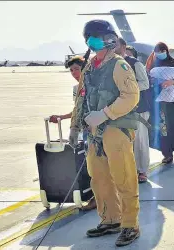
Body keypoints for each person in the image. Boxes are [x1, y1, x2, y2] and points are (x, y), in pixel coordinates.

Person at [71, 19, 141, 246]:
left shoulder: (119, 65)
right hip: (93, 131)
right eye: (89, 37)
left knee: (123, 177)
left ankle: (130, 225)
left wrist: (105, 114)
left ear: (108, 39)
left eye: (96, 36)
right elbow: (81, 97)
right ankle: (110, 219)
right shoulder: (90, 66)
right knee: (98, 177)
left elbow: (131, 96)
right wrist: (74, 127)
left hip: (115, 128)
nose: (91, 41)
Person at [49, 56, 98, 211]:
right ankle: (96, 196)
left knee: (98, 165)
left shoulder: (94, 85)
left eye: (77, 69)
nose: (74, 73)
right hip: (85, 129)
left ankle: (99, 197)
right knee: (90, 164)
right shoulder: (76, 89)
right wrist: (62, 117)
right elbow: (77, 110)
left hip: (98, 129)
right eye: (71, 70)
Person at [115, 38, 151, 184]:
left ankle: (142, 170)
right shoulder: (111, 64)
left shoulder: (135, 63)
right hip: (119, 109)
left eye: (115, 44)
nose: (113, 47)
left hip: (138, 109)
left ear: (123, 47)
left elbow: (145, 83)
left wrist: (128, 88)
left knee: (140, 141)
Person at [146, 42, 174, 164]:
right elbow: (148, 82)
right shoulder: (152, 65)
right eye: (157, 53)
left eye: (162, 52)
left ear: (167, 51)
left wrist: (173, 82)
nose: (160, 55)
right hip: (161, 103)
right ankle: (167, 154)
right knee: (163, 128)